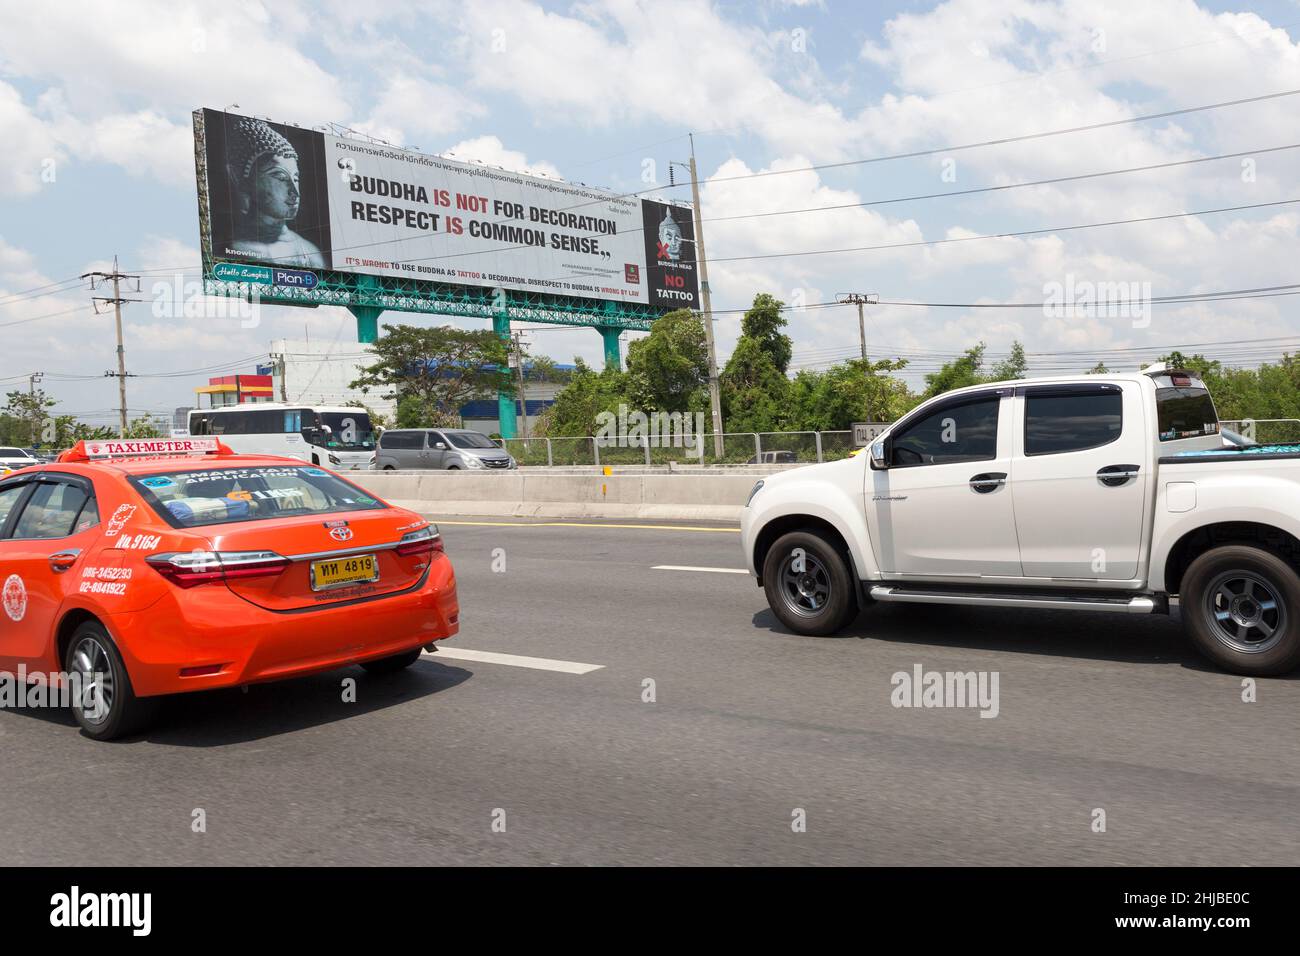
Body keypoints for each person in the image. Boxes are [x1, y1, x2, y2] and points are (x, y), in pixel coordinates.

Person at [224, 119, 326, 268]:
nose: (295, 192)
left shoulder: (311, 252)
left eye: (296, 178)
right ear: (239, 178)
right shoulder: (234, 249)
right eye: (280, 177)